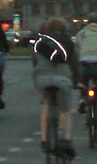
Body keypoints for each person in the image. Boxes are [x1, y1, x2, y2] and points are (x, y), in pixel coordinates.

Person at [33, 17, 80, 156]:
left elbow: (34, 62)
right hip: (63, 80)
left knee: (47, 106)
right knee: (65, 111)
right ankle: (66, 140)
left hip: (42, 80)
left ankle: (44, 140)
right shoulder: (68, 42)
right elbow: (75, 65)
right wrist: (77, 82)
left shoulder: (40, 42)